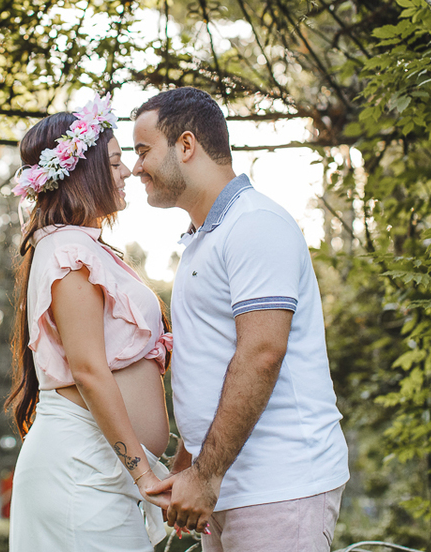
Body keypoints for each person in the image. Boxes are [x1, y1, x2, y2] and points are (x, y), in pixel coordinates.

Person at [132, 87, 349, 552]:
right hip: (227, 484)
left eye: (143, 151)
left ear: (186, 146)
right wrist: (189, 466)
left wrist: (205, 475)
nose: (136, 167)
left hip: (280, 483)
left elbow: (261, 353)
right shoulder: (203, 238)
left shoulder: (255, 224)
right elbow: (213, 362)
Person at [6, 94, 174, 551]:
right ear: (84, 171)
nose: (127, 172)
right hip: (79, 475)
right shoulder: (66, 251)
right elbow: (88, 370)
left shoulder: (86, 248)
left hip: (98, 471)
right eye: (117, 161)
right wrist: (143, 473)